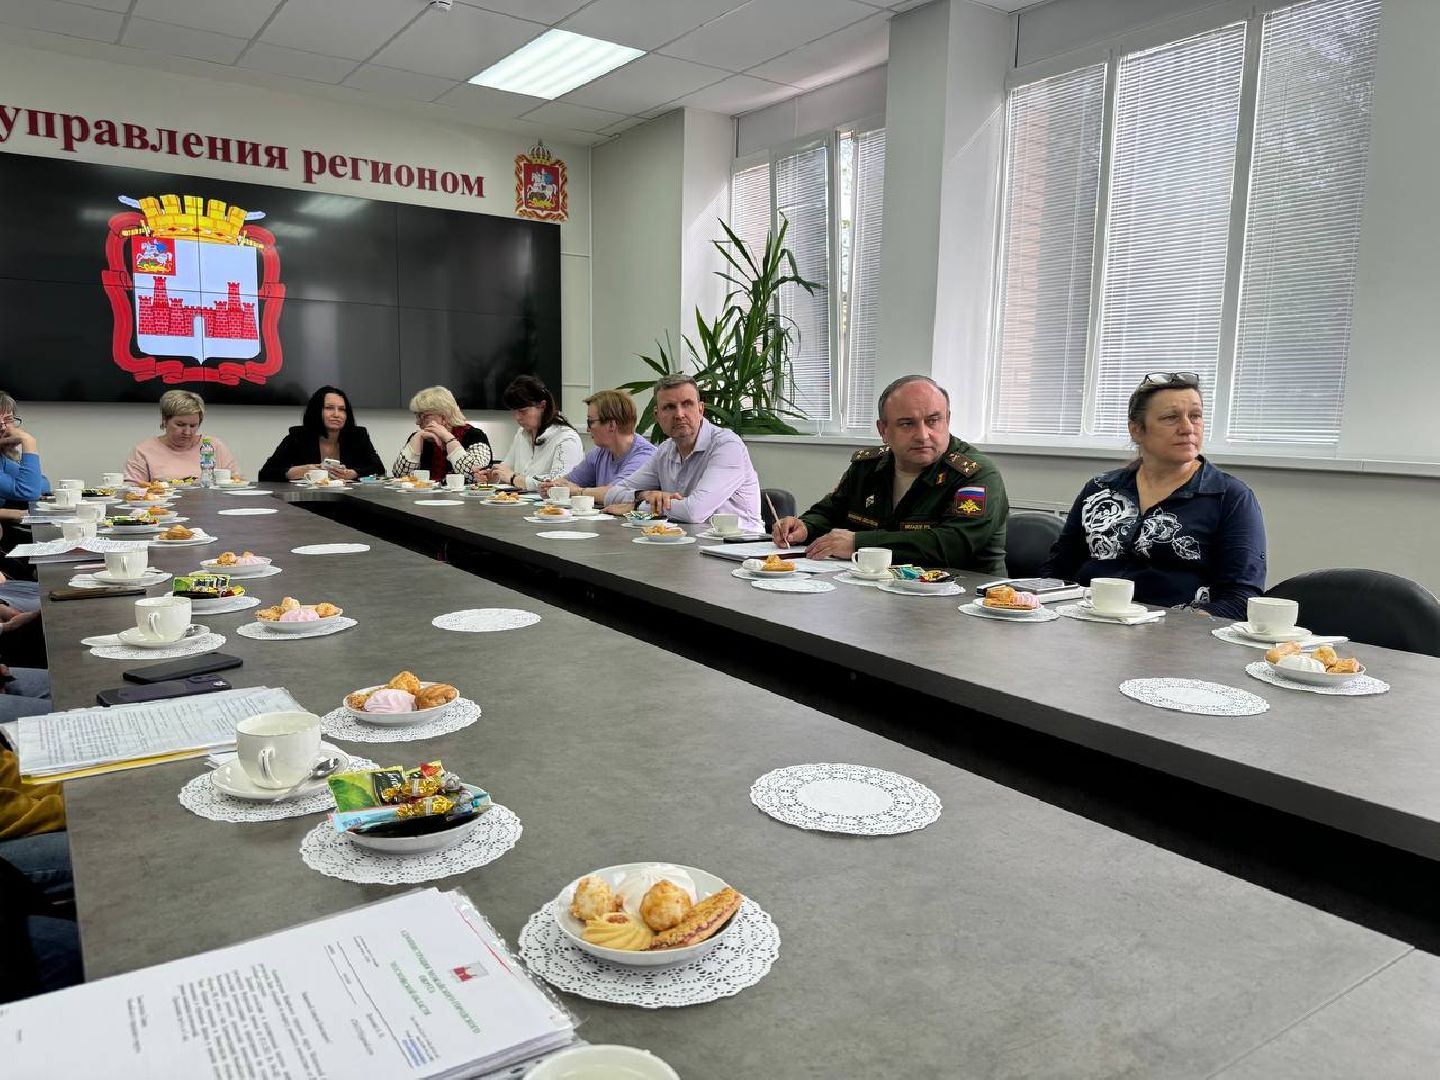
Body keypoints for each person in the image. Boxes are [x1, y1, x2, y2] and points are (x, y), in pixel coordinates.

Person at [1039, 372, 1266, 620]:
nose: (1188, 428)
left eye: (1195, 416)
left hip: (1176, 639)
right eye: (1171, 418)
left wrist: (1181, 629)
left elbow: (1242, 598)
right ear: (1137, 430)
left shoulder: (1230, 497)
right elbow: (1058, 572)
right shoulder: (1099, 489)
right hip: (1087, 623)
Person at [771, 375, 1009, 571]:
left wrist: (858, 544)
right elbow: (832, 510)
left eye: (933, 421)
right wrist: (805, 527)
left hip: (962, 597)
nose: (923, 435)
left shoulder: (975, 474)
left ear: (948, 420)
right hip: (879, 589)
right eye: (907, 424)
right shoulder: (868, 466)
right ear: (883, 430)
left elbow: (953, 545)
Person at [601, 374, 762, 530]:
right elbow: (611, 494)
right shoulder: (665, 450)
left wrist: (637, 506)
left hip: (739, 548)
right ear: (657, 415)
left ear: (701, 409)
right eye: (669, 407)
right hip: (685, 543)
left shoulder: (727, 445)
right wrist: (644, 495)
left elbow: (694, 512)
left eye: (687, 404)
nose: (679, 414)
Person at [540, 389, 657, 499]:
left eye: (590, 422)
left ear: (612, 425)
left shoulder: (645, 456)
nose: (587, 429)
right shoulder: (601, 451)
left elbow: (616, 493)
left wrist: (577, 491)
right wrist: (553, 486)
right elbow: (570, 481)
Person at [259, 386, 385, 482]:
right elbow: (265, 474)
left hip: (351, 503)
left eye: (342, 409)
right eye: (329, 408)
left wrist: (354, 473)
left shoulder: (358, 435)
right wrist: (300, 471)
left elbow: (379, 469)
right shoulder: (298, 437)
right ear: (316, 411)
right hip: (307, 503)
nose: (336, 414)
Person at [480, 376, 584, 491]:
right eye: (513, 411)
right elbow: (507, 469)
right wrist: (494, 476)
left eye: (523, 411)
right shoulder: (521, 433)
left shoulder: (566, 437)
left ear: (543, 406)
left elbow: (560, 481)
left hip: (554, 507)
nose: (517, 417)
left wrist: (514, 478)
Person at [124, 390, 238, 483]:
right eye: (180, 425)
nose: (187, 432)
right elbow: (132, 492)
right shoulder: (143, 451)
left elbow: (236, 483)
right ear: (165, 421)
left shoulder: (213, 446)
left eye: (193, 426)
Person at [392, 386, 492, 480]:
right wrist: (417, 438)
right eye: (417, 416)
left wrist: (449, 439)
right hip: (423, 497)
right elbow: (400, 476)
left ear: (444, 417)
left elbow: (476, 474)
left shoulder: (474, 436)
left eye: (424, 416)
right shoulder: (419, 437)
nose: (417, 422)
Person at [0, 392, 48, 506]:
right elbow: (29, 492)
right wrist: (28, 440)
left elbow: (44, 484)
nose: (2, 426)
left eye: (8, 419)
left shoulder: (3, 458)